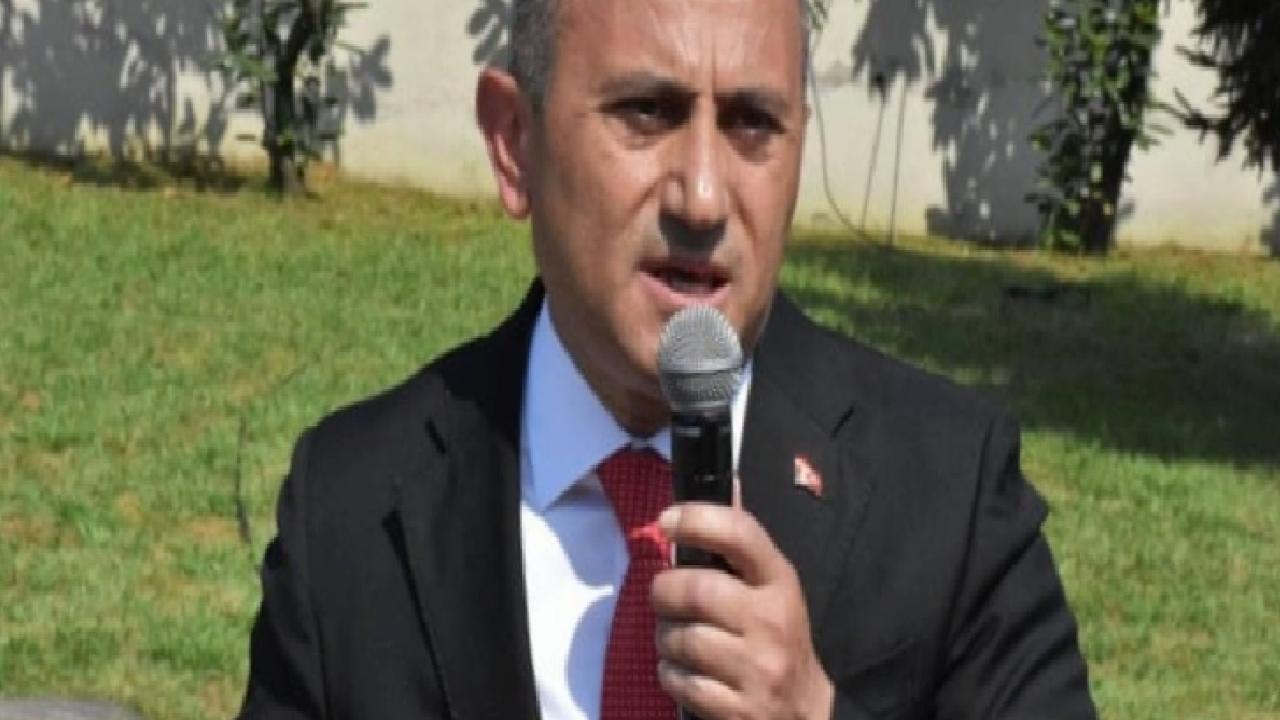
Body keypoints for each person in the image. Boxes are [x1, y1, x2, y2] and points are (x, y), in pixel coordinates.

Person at [237, 0, 1098, 717]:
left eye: (753, 124)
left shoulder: (949, 493)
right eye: (647, 113)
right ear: (514, 142)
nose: (704, 196)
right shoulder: (352, 509)